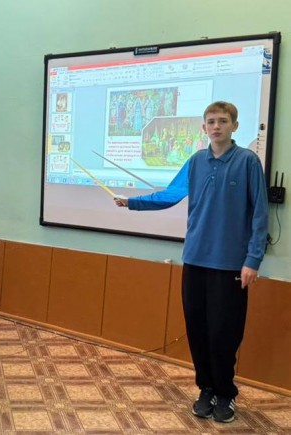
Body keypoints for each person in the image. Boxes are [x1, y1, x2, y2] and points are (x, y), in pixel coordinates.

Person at [114, 101, 268, 423]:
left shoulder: (248, 161)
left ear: (235, 126)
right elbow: (171, 195)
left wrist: (252, 260)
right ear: (203, 127)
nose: (216, 126)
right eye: (211, 121)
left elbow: (259, 214)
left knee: (224, 333)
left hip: (230, 265)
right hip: (195, 259)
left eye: (223, 121)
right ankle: (206, 389)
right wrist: (132, 203)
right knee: (197, 330)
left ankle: (225, 394)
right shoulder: (196, 161)